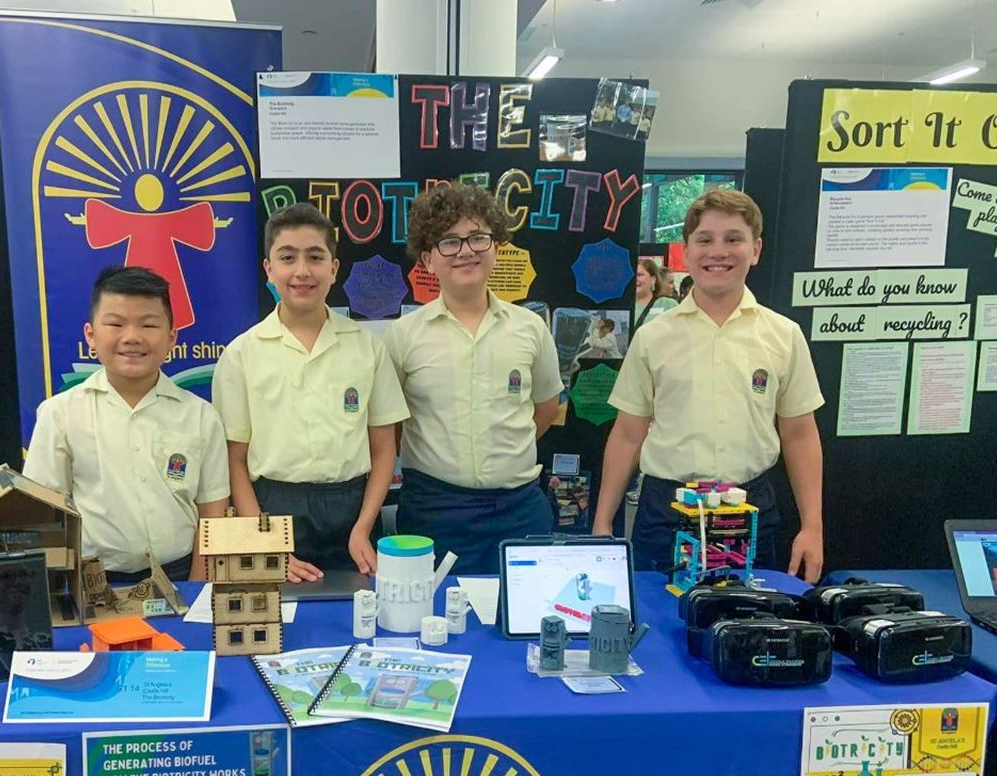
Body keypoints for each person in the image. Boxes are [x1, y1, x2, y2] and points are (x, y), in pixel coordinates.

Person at [592, 189, 825, 582]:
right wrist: (602, 525)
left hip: (749, 509)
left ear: (755, 250)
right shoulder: (653, 338)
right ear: (687, 252)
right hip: (666, 512)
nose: (718, 251)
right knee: (658, 615)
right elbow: (628, 434)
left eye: (733, 239)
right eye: (704, 240)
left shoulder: (783, 335)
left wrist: (812, 526)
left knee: (748, 618)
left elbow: (799, 435)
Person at [213, 202, 408, 582]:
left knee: (359, 610)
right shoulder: (241, 354)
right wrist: (267, 545)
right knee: (280, 614)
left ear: (333, 269)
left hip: (354, 514)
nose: (302, 271)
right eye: (287, 258)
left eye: (315, 257)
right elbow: (234, 461)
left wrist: (363, 527)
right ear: (269, 269)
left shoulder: (367, 347)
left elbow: (385, 448)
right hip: (272, 512)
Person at [386, 183, 562, 575]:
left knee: (520, 612)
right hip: (434, 510)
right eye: (449, 241)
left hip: (519, 509)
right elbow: (391, 425)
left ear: (496, 247)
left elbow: (546, 408)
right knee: (433, 611)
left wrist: (503, 455)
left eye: (478, 237)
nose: (466, 251)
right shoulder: (403, 335)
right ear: (428, 260)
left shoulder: (531, 328)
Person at [25, 265, 230, 582]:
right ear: (91, 335)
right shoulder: (59, 414)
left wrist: (198, 586)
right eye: (115, 324)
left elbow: (212, 512)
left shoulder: (201, 416)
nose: (132, 337)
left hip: (180, 575)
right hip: (96, 583)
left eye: (148, 325)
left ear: (171, 337)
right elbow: (46, 515)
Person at [634, 259, 678, 329]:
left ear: (653, 279)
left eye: (639, 275)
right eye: (632, 275)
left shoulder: (669, 304)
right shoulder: (622, 306)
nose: (635, 279)